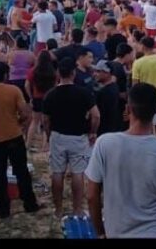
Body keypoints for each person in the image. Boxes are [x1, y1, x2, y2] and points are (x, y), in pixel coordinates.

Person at [85, 83, 156, 238]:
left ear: (127, 109)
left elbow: (92, 196)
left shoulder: (104, 144)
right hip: (155, 232)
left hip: (117, 232)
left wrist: (100, 233)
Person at [0, 62, 41, 218]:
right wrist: (19, 122)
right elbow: (24, 113)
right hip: (13, 136)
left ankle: (3, 209)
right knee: (22, 171)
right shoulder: (13, 90)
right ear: (6, 75)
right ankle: (30, 204)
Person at [42, 58, 100, 217]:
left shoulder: (50, 94)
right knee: (78, 173)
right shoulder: (83, 92)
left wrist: (48, 135)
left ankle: (58, 209)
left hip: (58, 136)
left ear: (58, 74)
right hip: (78, 137)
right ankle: (77, 209)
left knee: (57, 173)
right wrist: (93, 132)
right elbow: (96, 115)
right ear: (73, 73)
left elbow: (45, 120)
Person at [92, 60, 123, 135]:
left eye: (98, 71)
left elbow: (99, 115)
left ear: (107, 73)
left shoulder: (104, 92)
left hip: (104, 132)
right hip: (113, 130)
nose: (94, 74)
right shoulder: (114, 87)